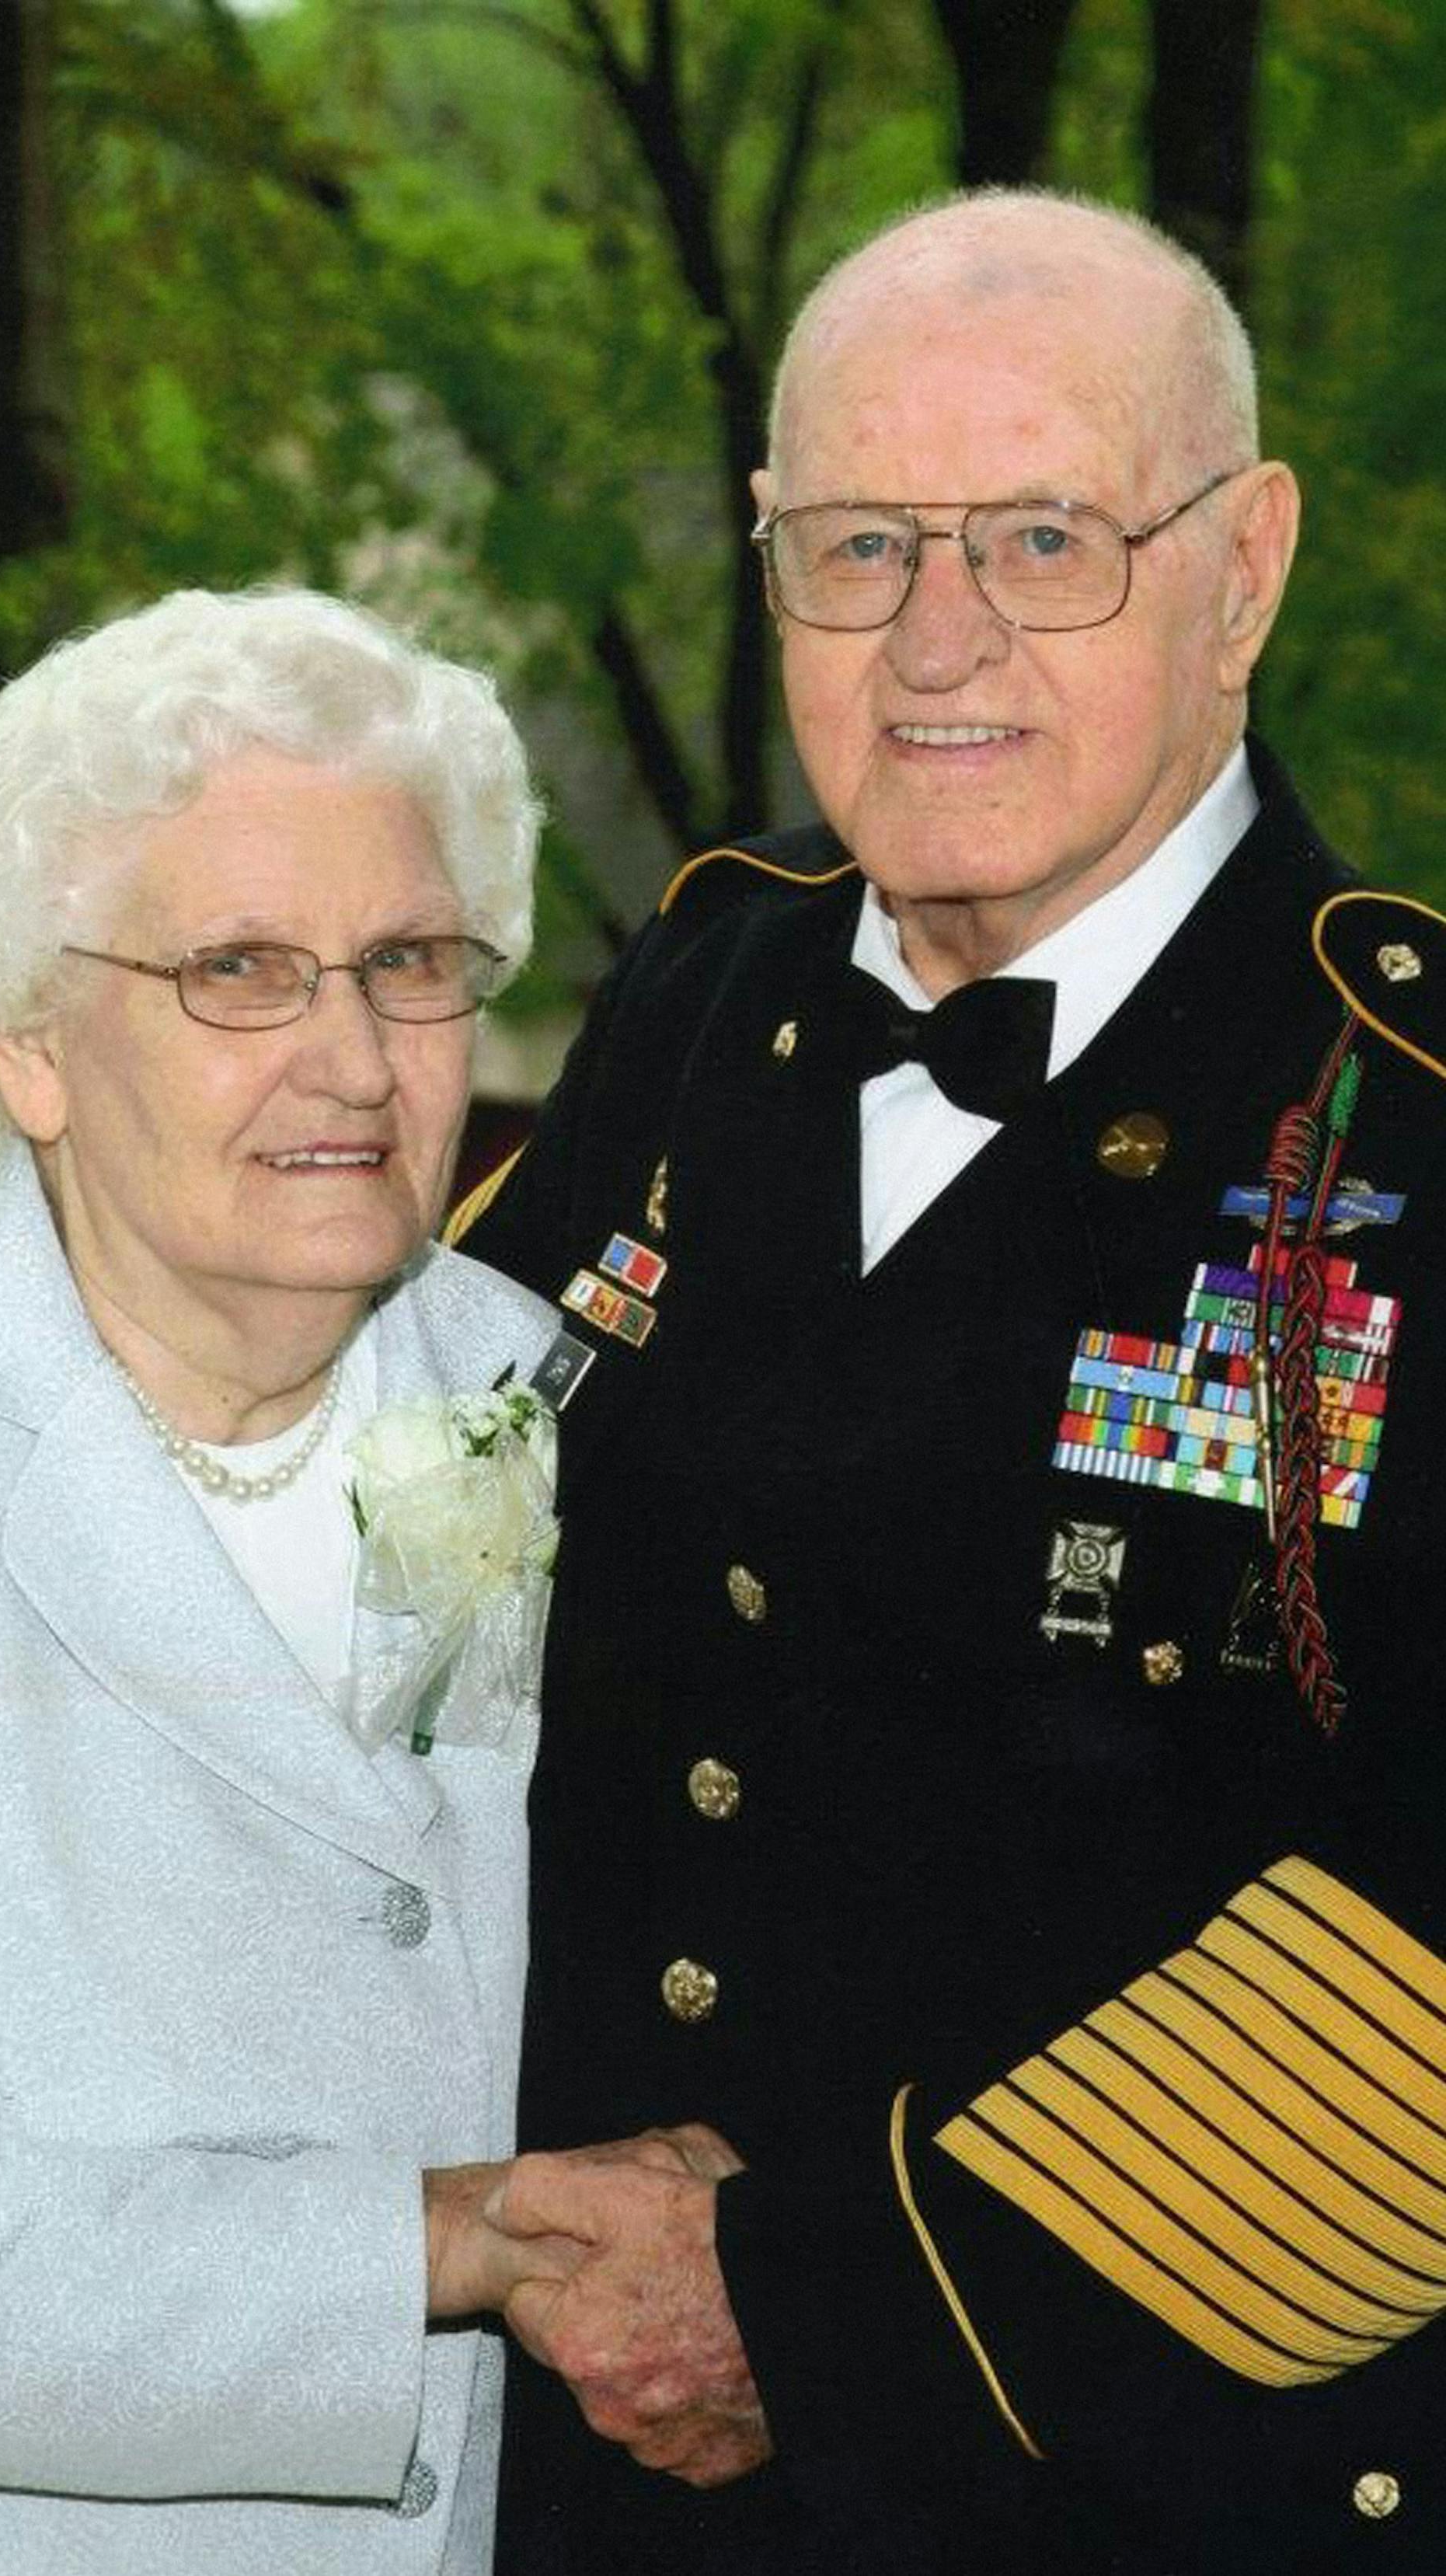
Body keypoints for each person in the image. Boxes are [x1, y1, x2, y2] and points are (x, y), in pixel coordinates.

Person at [458, 190, 1446, 2573]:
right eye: (861, 544)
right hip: (596, 2487)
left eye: (1042, 535)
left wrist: (822, 2306)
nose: (940, 639)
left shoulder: (1409, 1115)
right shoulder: (702, 1003)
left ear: (1248, 565)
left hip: (1138, 2481)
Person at [0, 586, 577, 2574]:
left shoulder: (541, 1385)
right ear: (30, 1048)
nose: (353, 1054)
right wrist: (446, 2240)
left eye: (408, 960)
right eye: (238, 969)